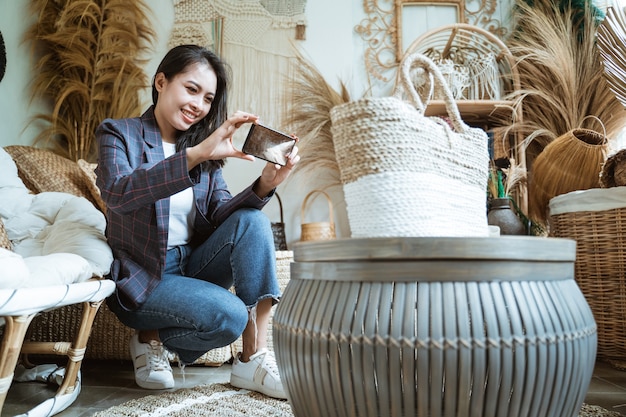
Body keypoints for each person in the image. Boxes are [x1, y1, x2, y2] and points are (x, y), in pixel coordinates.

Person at [95, 44, 299, 399]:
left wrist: (266, 184)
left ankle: (254, 357)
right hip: (143, 278)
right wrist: (194, 155)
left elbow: (221, 216)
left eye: (207, 98)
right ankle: (148, 337)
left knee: (252, 220)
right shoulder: (118, 134)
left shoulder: (202, 150)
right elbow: (119, 193)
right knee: (230, 316)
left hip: (191, 266)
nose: (198, 106)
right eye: (191, 89)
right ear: (161, 81)